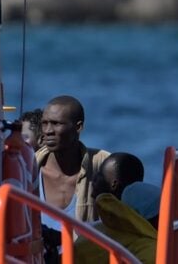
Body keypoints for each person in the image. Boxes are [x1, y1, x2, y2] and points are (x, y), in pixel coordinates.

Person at [36, 95, 110, 262]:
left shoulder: (102, 165)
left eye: (56, 124)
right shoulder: (29, 169)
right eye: (44, 123)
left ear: (78, 127)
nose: (48, 131)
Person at [74, 153, 161, 264]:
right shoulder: (151, 244)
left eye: (100, 175)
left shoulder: (102, 230)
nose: (93, 179)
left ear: (114, 184)